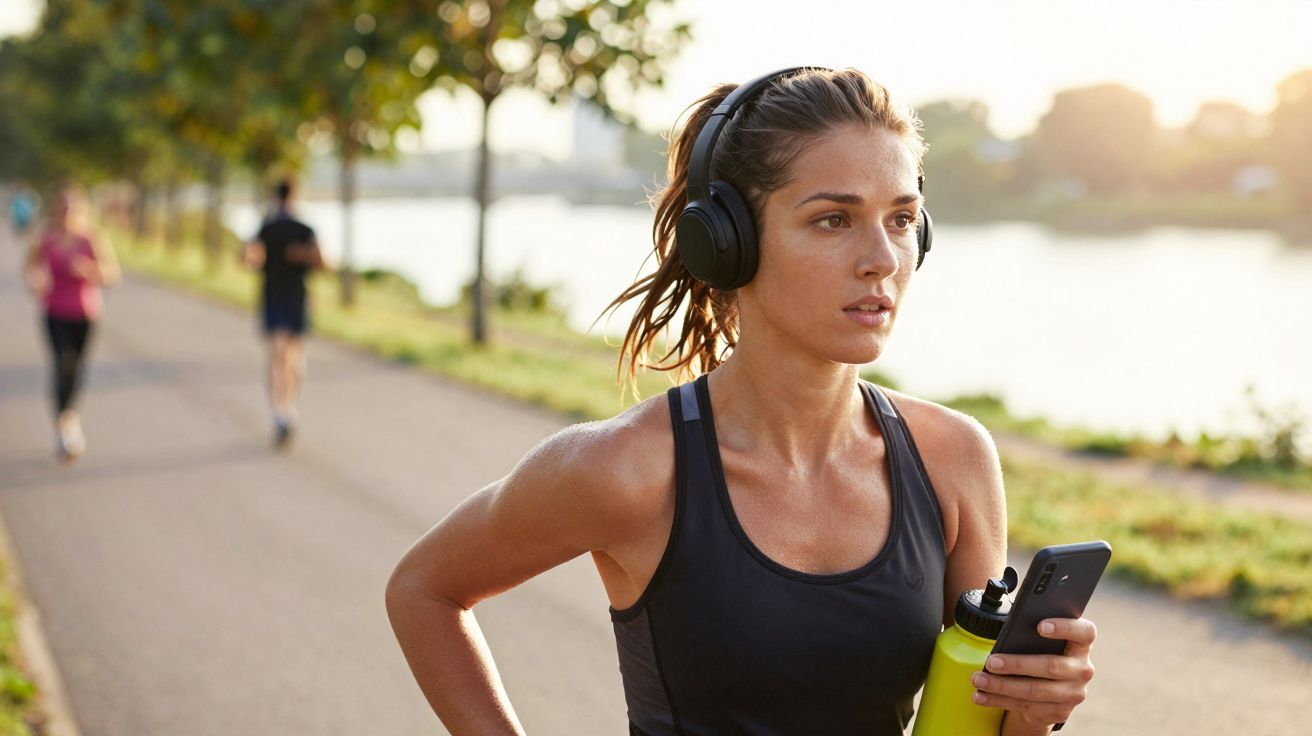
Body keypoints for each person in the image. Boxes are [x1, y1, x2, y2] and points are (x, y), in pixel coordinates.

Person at [386, 68, 1097, 735]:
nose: (882, 257)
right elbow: (425, 590)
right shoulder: (627, 468)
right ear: (727, 242)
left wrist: (1031, 709)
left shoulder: (954, 459)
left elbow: (971, 723)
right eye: (833, 220)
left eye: (902, 219)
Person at [23, 182, 119, 462]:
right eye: (63, 207)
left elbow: (112, 274)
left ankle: (70, 416)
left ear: (82, 210)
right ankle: (66, 425)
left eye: (73, 207)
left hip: (86, 313)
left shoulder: (92, 238)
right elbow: (31, 268)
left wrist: (89, 270)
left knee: (76, 368)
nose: (68, 212)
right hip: (54, 312)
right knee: (62, 363)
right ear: (56, 209)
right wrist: (36, 280)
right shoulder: (46, 239)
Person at [241, 178, 323, 450]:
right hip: (291, 297)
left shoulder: (268, 226)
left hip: (277, 296)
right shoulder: (300, 227)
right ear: (295, 195)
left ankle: (283, 409)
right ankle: (285, 410)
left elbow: (247, 258)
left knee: (283, 355)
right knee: (288, 355)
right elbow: (322, 262)